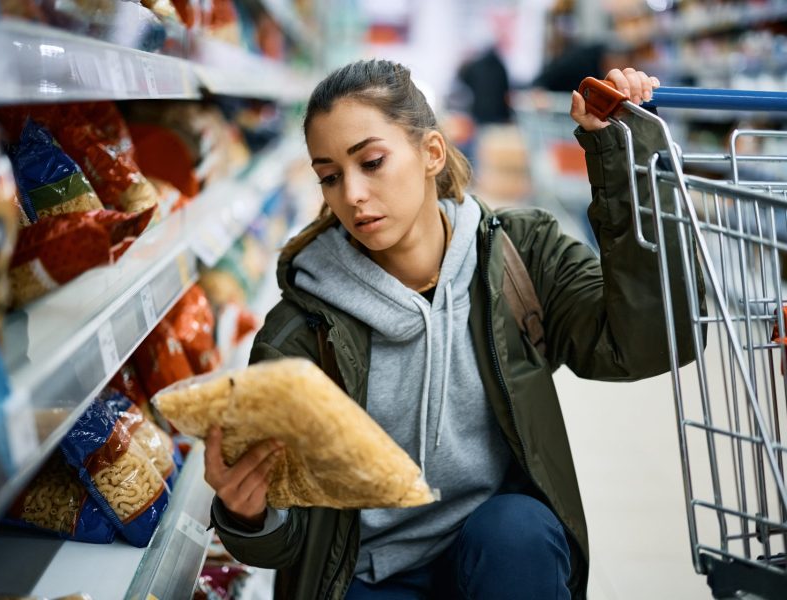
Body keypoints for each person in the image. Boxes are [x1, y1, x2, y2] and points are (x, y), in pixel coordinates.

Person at [203, 59, 698, 599]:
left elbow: (646, 343)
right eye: (329, 176)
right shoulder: (301, 332)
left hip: (491, 555)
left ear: (431, 153)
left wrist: (623, 158)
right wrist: (248, 515)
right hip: (365, 572)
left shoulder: (519, 257)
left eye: (371, 161)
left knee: (518, 533)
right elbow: (286, 543)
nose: (353, 194)